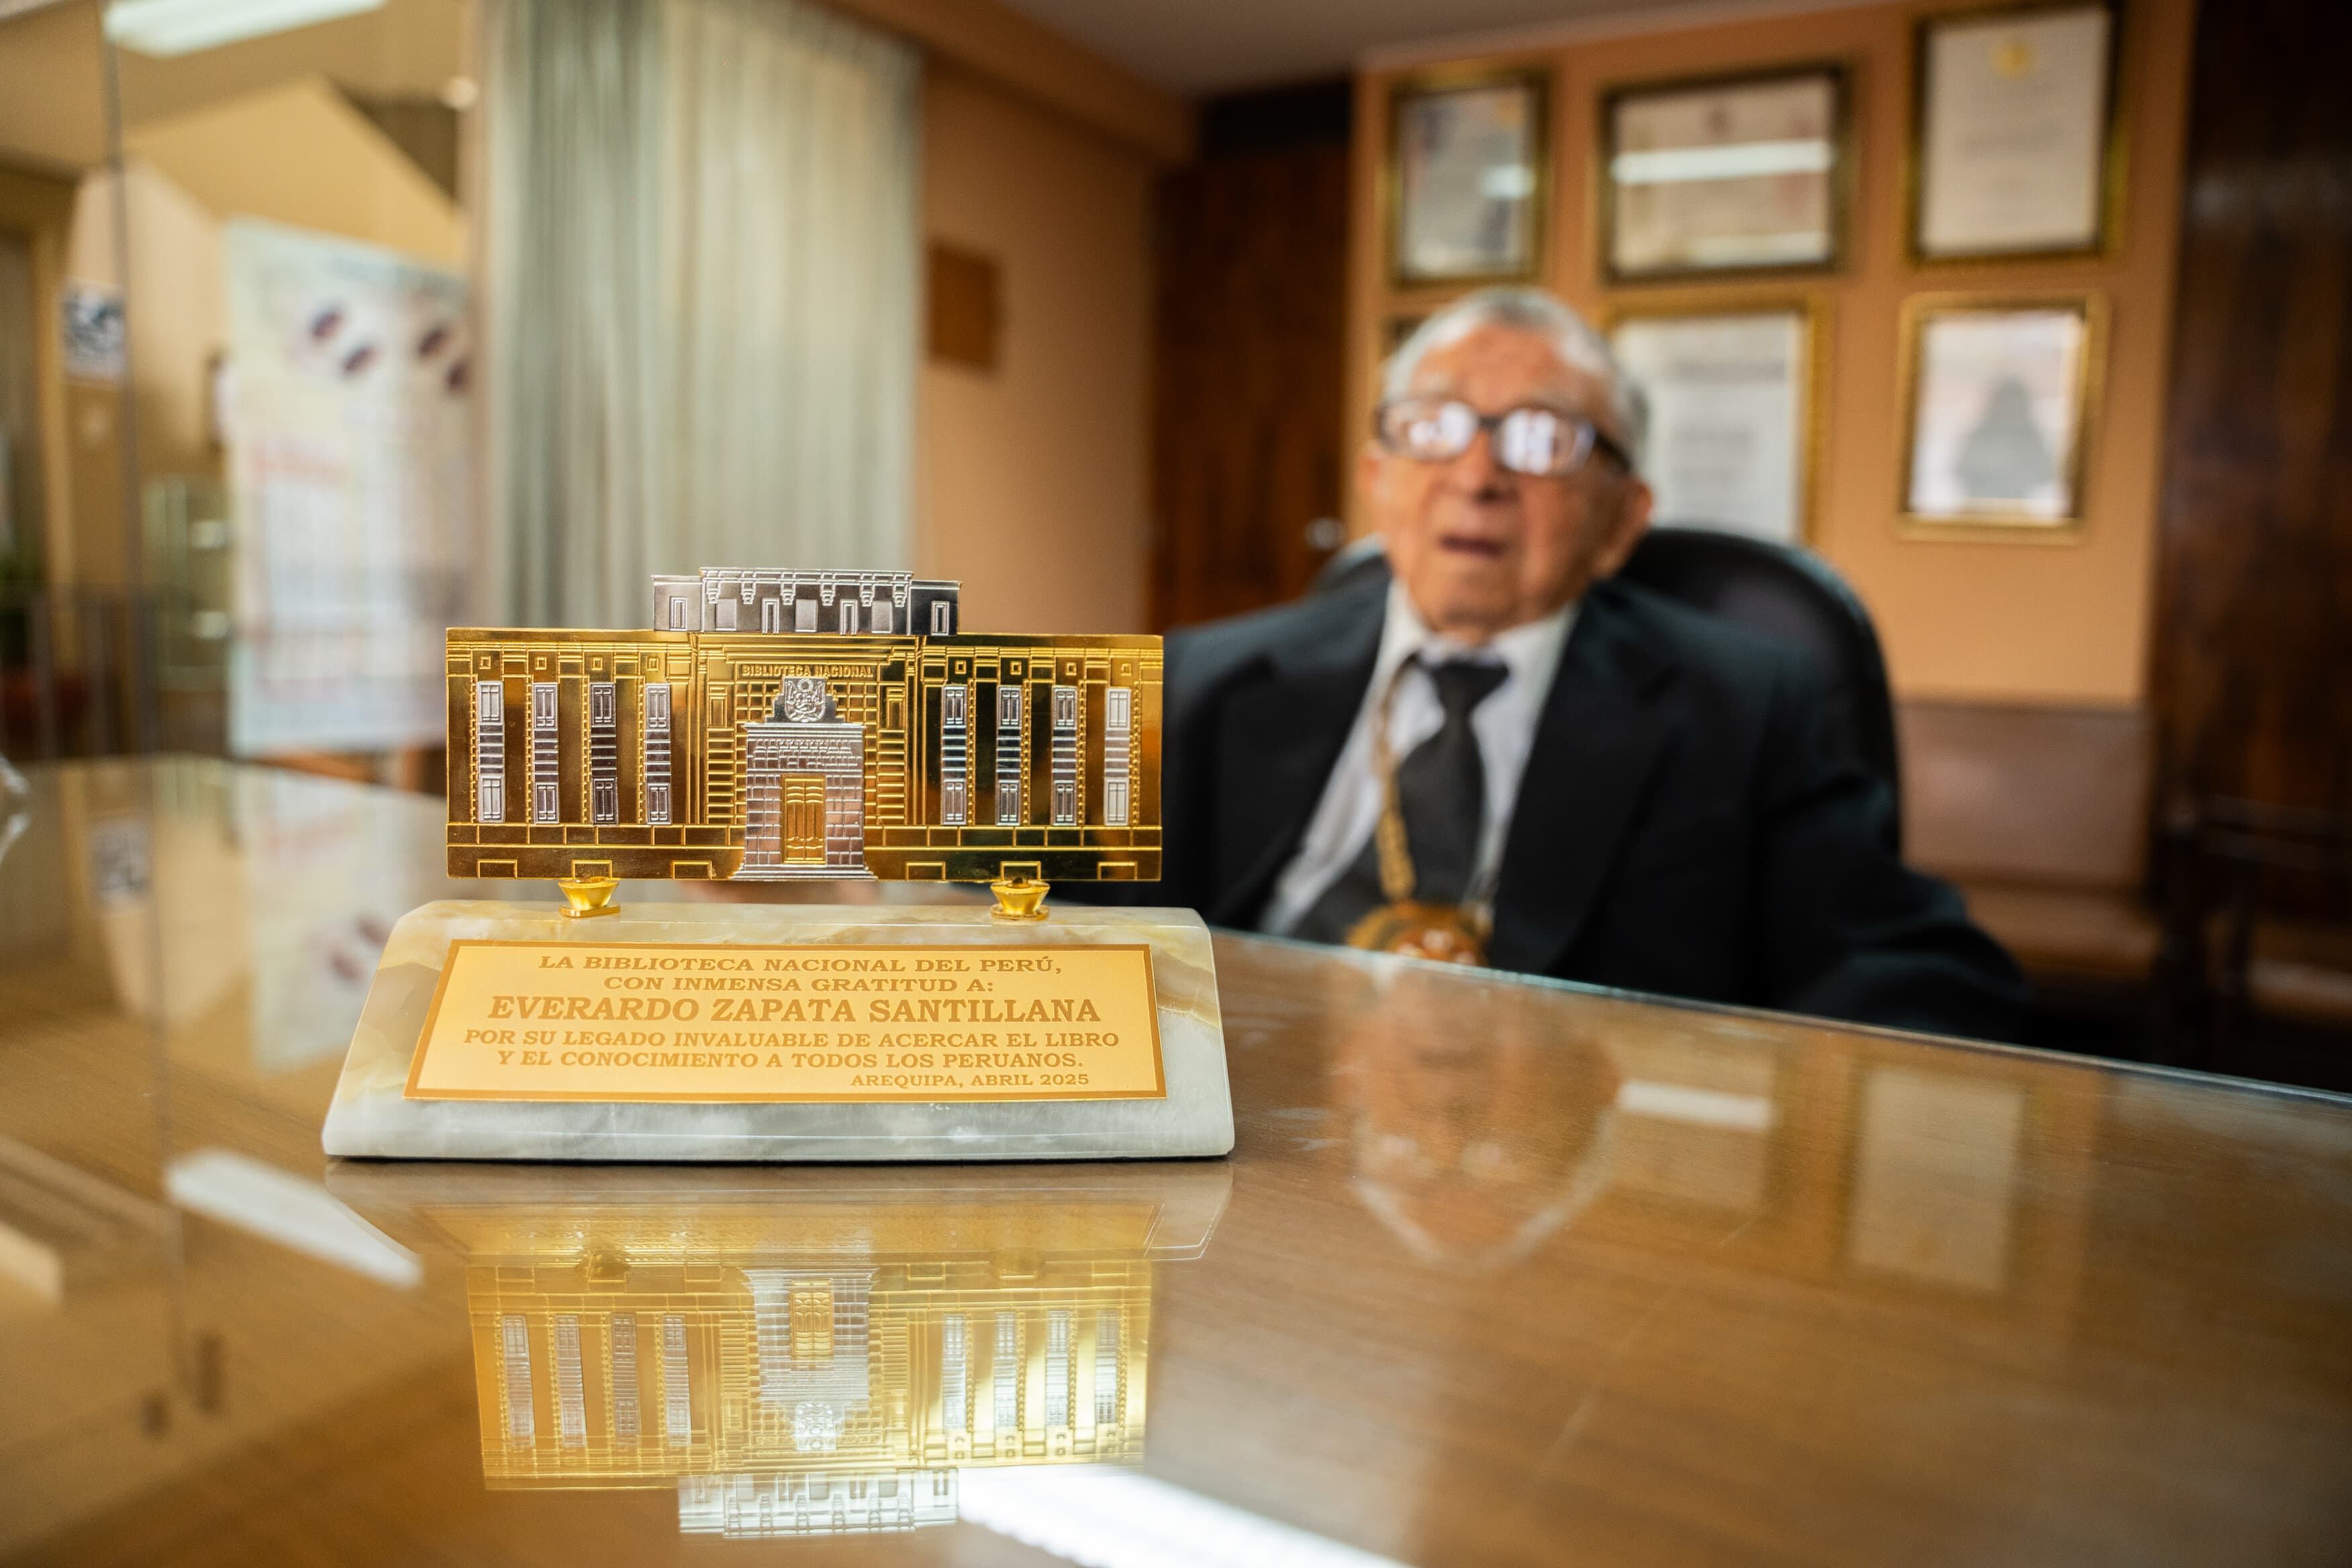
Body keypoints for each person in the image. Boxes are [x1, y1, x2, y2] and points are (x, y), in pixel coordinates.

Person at [1134, 286, 2024, 1042]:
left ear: (1622, 521)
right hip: (1260, 1132)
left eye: (1541, 438)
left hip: (1573, 1164)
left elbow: (1904, 968)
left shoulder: (1748, 705)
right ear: (1377, 479)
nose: (1475, 475)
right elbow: (1033, 912)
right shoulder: (1198, 675)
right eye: (1434, 428)